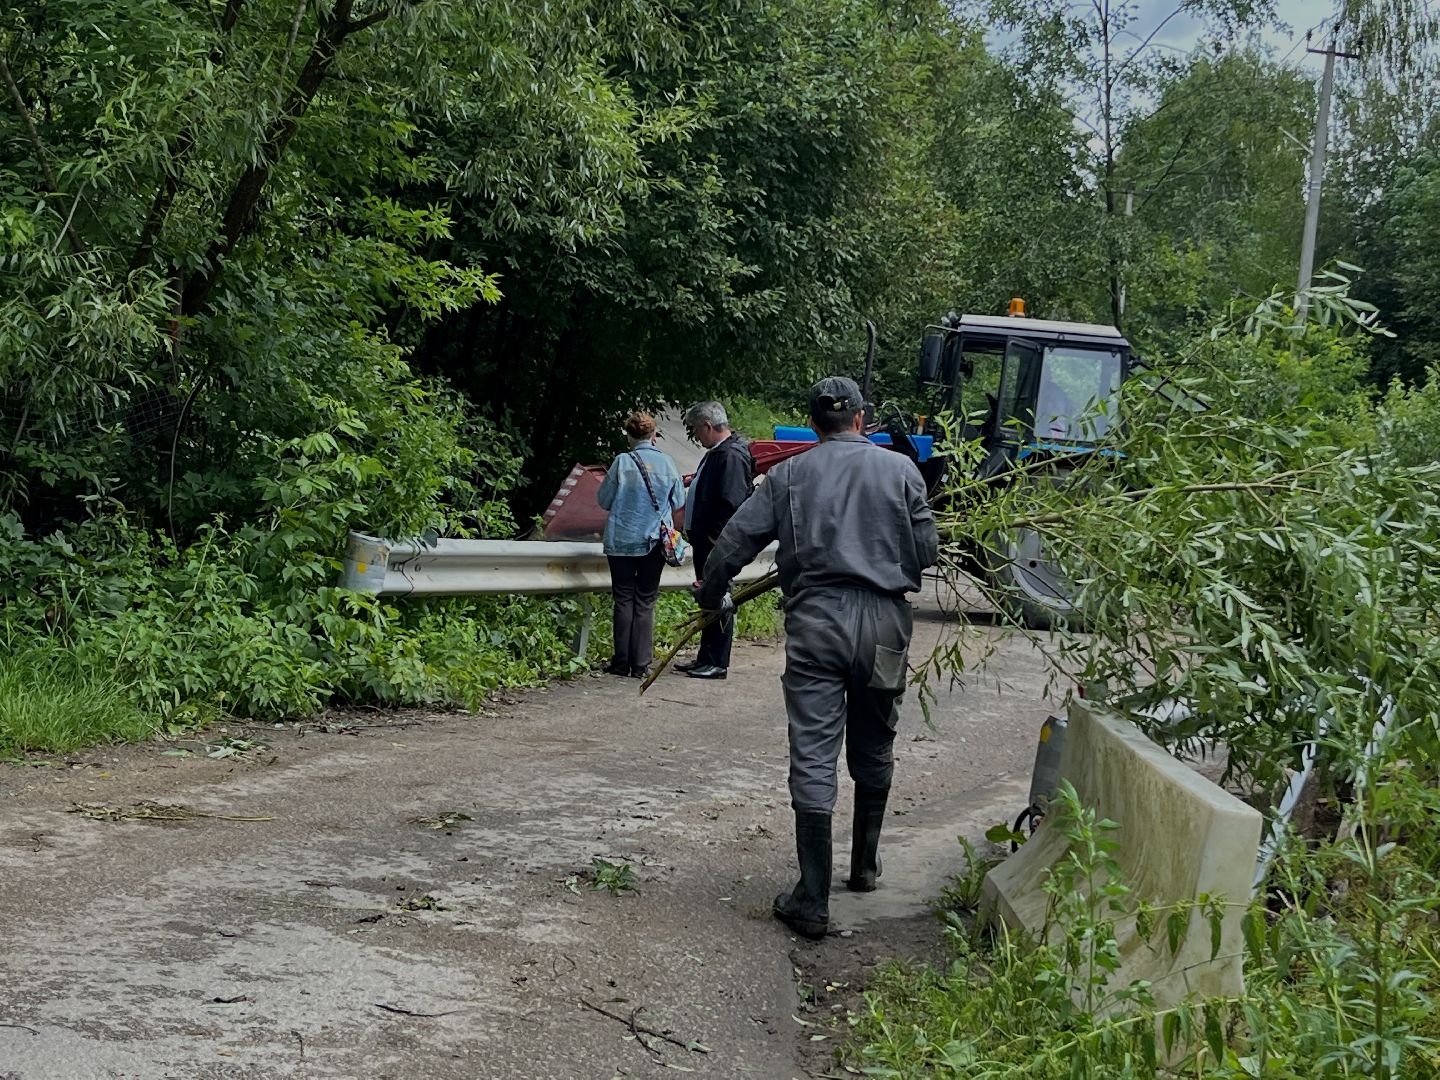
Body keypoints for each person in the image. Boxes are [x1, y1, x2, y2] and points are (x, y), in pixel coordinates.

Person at [695, 377, 939, 939]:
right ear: (861, 419)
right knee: (875, 740)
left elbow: (733, 544)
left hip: (817, 627)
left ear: (814, 424)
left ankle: (812, 896)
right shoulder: (901, 470)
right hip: (883, 626)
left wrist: (712, 596)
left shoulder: (787, 476)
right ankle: (864, 866)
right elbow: (926, 551)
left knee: (814, 749)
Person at [597, 411, 685, 679]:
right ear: (654, 435)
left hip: (621, 540)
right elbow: (679, 501)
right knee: (645, 600)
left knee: (623, 598)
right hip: (655, 541)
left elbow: (604, 500)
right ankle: (641, 665)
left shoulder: (622, 462)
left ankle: (621, 663)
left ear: (629, 436)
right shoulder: (668, 464)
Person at [677, 401, 755, 681]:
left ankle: (717, 661)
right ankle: (706, 657)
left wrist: (717, 537)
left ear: (709, 426)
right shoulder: (718, 453)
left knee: (719, 596)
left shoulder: (730, 455)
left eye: (698, 430)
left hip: (715, 541)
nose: (697, 436)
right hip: (706, 539)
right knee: (708, 596)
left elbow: (732, 501)